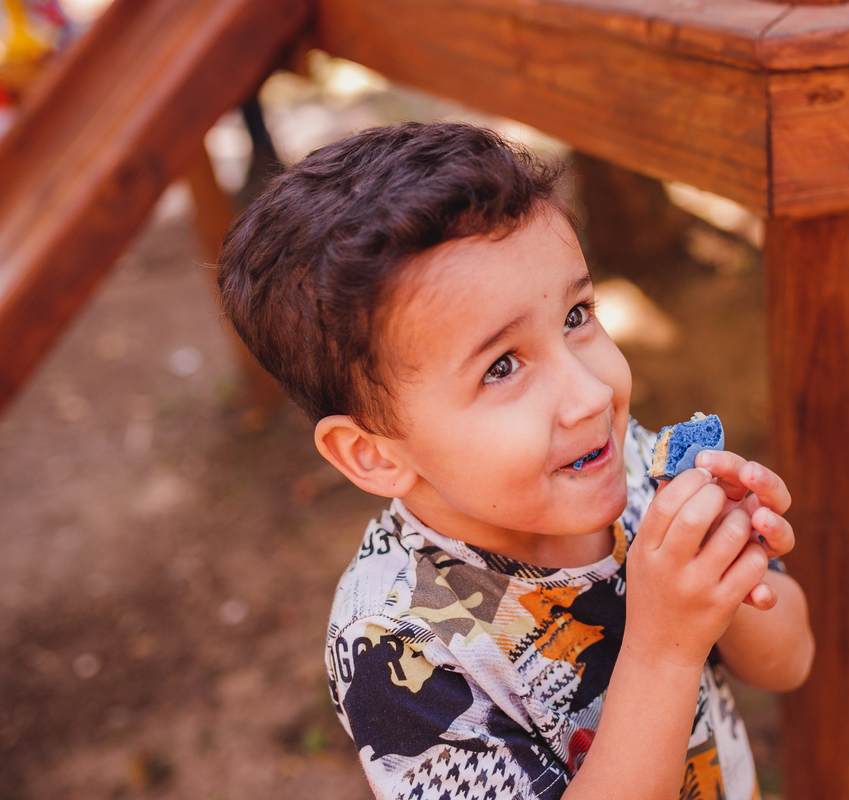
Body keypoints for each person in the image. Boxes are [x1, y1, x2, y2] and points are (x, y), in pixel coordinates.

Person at [218, 122, 814, 800]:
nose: (590, 395)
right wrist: (664, 647)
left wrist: (728, 569)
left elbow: (791, 661)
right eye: (502, 366)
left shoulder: (632, 462)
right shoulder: (397, 650)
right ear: (373, 454)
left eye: (576, 315)